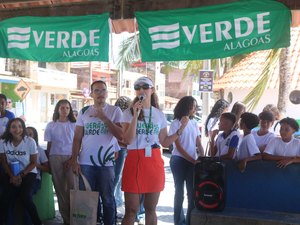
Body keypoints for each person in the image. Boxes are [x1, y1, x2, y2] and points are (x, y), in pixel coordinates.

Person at [120, 76, 187, 225]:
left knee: (151, 208)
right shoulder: (128, 113)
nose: (141, 90)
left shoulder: (158, 114)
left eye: (145, 87)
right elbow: (127, 140)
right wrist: (135, 116)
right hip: (134, 160)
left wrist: (180, 130)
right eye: (137, 87)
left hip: (153, 160)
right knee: (131, 210)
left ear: (152, 90)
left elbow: (164, 142)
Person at [67, 80, 123, 225]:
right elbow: (77, 138)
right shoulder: (84, 111)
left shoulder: (115, 111)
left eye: (103, 90)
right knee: (88, 199)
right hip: (85, 163)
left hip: (107, 163)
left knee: (108, 199)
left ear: (107, 93)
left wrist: (104, 118)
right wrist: (74, 160)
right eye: (97, 90)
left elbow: (120, 135)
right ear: (91, 93)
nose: (100, 93)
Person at [169, 96, 204, 225]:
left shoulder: (194, 123)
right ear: (187, 106)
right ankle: (178, 222)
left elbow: (198, 143)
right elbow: (177, 146)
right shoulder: (175, 123)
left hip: (192, 161)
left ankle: (190, 221)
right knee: (179, 192)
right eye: (193, 106)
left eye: (195, 106)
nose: (194, 109)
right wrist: (192, 160)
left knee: (192, 193)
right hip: (178, 160)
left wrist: (202, 158)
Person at [0, 118, 42, 225]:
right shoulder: (3, 142)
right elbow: (3, 162)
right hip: (10, 172)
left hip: (28, 172)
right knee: (5, 197)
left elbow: (33, 162)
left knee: (25, 197)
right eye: (13, 126)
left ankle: (37, 222)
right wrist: (12, 176)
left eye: (20, 126)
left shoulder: (30, 141)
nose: (17, 129)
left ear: (23, 128)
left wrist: (20, 176)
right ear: (9, 129)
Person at [44, 99, 76, 225]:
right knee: (60, 189)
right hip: (55, 157)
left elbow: (78, 143)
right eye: (62, 107)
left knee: (73, 188)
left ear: (70, 110)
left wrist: (74, 158)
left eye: (67, 108)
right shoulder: (51, 125)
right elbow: (49, 144)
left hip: (71, 157)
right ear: (57, 109)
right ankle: (66, 219)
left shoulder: (74, 124)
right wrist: (47, 161)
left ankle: (75, 217)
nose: (65, 110)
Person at [113, 96, 132, 218]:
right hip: (121, 149)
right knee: (117, 177)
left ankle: (117, 202)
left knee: (118, 178)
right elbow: (122, 136)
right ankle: (115, 203)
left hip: (120, 149)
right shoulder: (122, 117)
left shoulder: (117, 116)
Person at [26, 127, 49, 193]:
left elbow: (47, 169)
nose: (28, 137)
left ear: (34, 137)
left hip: (34, 179)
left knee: (26, 194)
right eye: (26, 135)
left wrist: (35, 164)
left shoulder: (39, 150)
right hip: (21, 177)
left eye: (30, 134)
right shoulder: (19, 148)